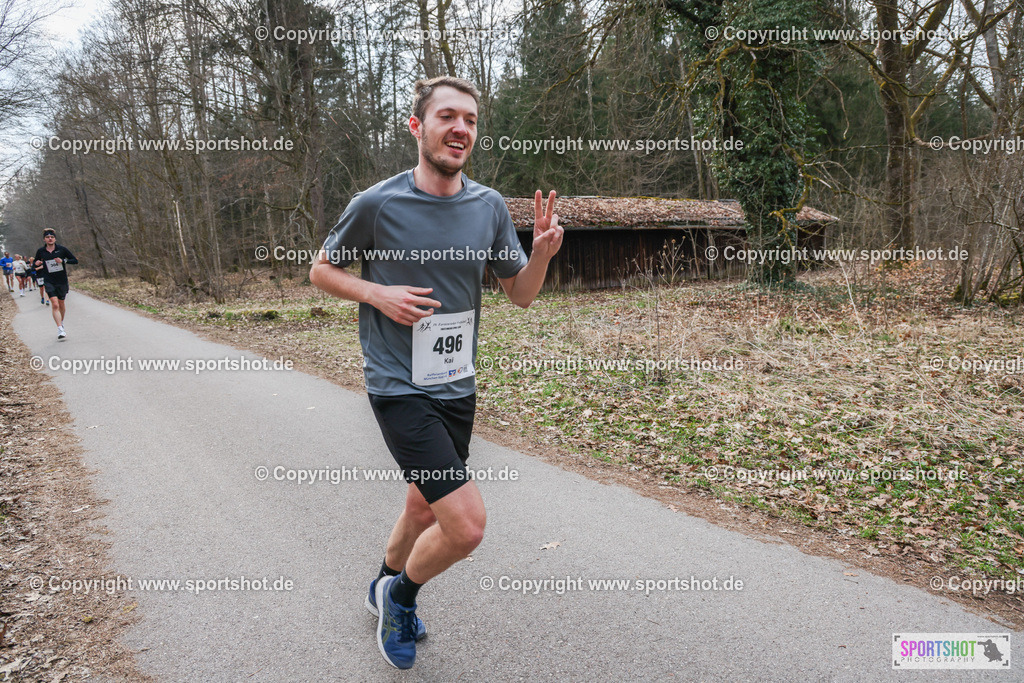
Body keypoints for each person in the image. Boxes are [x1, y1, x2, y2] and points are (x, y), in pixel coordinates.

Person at [310, 76, 563, 670]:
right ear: (417, 127)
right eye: (448, 116)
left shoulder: (489, 207)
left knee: (423, 507)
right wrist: (378, 295)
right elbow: (322, 271)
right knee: (466, 526)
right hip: (398, 385)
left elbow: (520, 295)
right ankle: (401, 598)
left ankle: (380, 582)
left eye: (470, 120)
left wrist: (543, 254)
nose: (461, 129)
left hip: (457, 383)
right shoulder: (377, 204)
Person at [33, 229, 78, 339]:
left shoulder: (62, 249)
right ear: (44, 239)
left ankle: (61, 323)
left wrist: (63, 261)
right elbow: (34, 264)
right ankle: (59, 328)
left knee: (61, 304)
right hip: (48, 280)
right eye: (47, 237)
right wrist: (36, 263)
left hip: (61, 280)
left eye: (52, 237)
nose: (50, 239)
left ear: (55, 238)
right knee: (55, 303)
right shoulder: (41, 251)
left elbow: (75, 260)